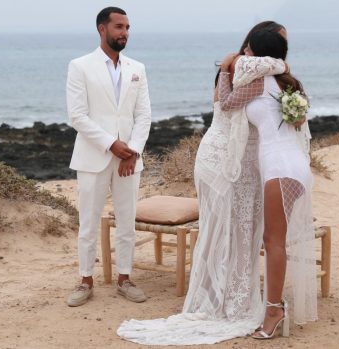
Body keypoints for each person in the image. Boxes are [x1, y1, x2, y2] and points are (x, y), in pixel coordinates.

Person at [116, 22, 289, 345]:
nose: (284, 51)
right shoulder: (248, 71)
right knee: (228, 229)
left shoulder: (238, 68)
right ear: (260, 47)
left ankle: (229, 291)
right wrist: (257, 64)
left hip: (236, 160)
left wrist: (232, 65)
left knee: (236, 230)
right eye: (281, 43)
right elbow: (229, 103)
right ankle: (227, 299)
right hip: (226, 162)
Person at [219, 28, 318, 339]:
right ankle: (274, 307)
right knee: (275, 239)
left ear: (257, 53)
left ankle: (274, 310)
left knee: (273, 241)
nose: (244, 54)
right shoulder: (287, 83)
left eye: (249, 49)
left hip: (280, 166)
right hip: (292, 166)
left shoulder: (258, 80)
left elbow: (226, 103)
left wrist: (224, 71)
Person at [65, 6, 151, 307]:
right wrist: (111, 144)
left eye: (127, 27)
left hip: (129, 159)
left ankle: (125, 278)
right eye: (118, 27)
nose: (124, 32)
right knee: (88, 222)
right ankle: (85, 280)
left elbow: (144, 116)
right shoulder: (80, 66)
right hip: (93, 157)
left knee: (127, 221)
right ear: (102, 29)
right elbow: (77, 115)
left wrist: (132, 151)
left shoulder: (137, 69)